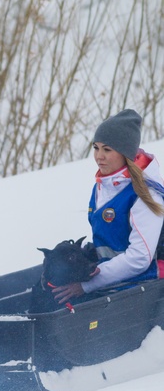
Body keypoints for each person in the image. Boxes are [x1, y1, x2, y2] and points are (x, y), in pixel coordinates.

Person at [53, 109, 164, 305]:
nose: (99, 156)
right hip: (113, 280)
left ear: (125, 153)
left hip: (145, 284)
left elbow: (139, 258)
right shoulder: (101, 187)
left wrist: (87, 285)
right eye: (96, 148)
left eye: (107, 149)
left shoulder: (146, 194)